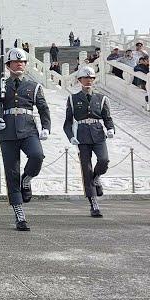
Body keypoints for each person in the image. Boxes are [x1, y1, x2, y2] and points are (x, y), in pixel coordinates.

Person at [0, 47, 51, 232]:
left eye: (22, 62)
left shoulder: (34, 87)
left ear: (26, 65)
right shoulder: (0, 86)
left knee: (37, 156)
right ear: (9, 65)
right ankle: (20, 215)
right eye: (15, 62)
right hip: (7, 133)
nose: (19, 64)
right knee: (11, 174)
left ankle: (26, 179)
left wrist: (46, 128)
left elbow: (44, 109)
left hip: (29, 129)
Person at [63, 66, 114, 217]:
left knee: (103, 160)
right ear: (79, 80)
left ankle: (97, 178)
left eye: (91, 78)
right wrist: (71, 136)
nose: (89, 81)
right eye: (85, 78)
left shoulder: (101, 98)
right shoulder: (73, 98)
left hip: (98, 134)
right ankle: (93, 203)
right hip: (82, 135)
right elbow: (67, 122)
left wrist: (110, 129)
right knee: (86, 169)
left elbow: (107, 118)